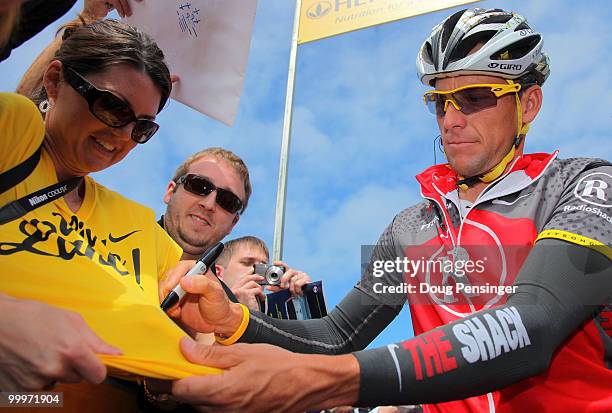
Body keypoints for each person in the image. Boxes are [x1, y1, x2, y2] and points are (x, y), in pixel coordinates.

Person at [159, 7, 612, 413]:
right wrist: (237, 320)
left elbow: (535, 325)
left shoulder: (584, 186)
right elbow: (337, 336)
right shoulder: (410, 228)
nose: (452, 119)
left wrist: (332, 382)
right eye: (440, 100)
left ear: (528, 103)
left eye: (475, 97)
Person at [0, 16, 177, 405]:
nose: (123, 135)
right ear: (54, 81)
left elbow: (201, 295)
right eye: (112, 106)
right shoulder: (14, 131)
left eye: (142, 127)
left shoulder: (138, 223)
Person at [160, 147, 251, 261]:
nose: (209, 204)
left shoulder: (231, 277)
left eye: (228, 200)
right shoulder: (131, 232)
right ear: (171, 192)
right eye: (198, 185)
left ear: (233, 223)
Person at [215, 235, 312, 311]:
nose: (257, 272)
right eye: (247, 263)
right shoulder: (204, 310)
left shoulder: (274, 313)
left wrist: (302, 300)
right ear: (219, 273)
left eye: (263, 267)